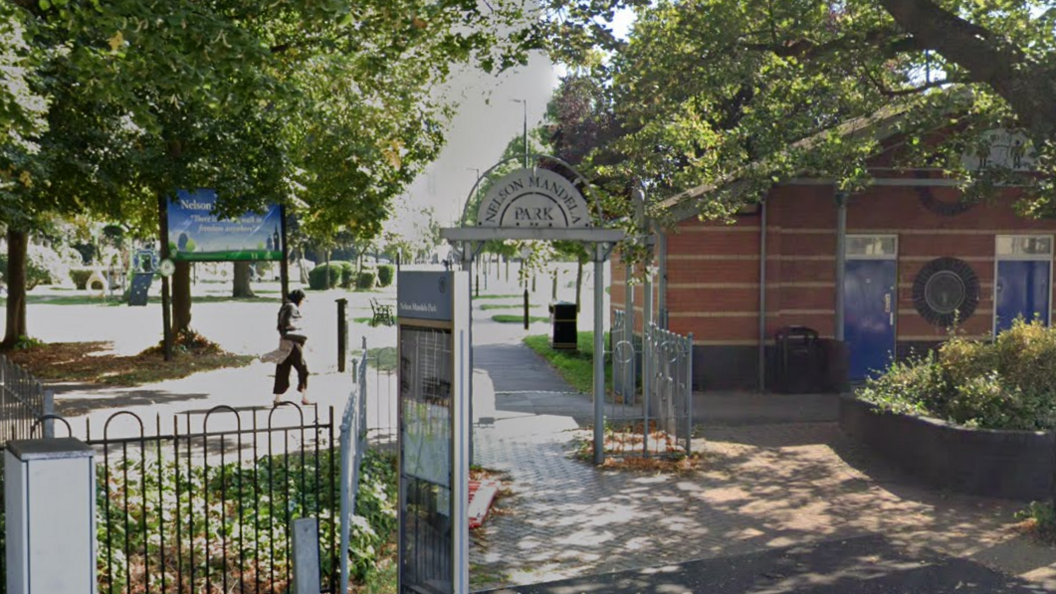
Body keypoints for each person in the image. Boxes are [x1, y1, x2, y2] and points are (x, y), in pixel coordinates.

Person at [271, 289, 311, 405]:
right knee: (303, 369)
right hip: (292, 343)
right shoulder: (292, 307)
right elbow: (288, 323)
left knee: (282, 369)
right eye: (302, 299)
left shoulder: (285, 306)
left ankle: (277, 398)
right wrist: (298, 333)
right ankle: (304, 397)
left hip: (284, 341)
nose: (302, 302)